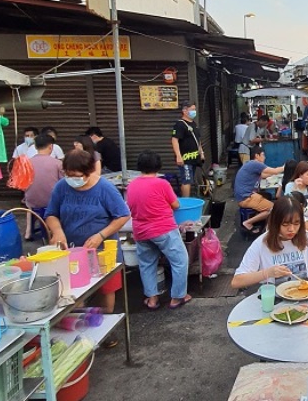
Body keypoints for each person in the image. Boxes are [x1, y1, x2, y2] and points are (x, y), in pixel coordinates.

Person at [46, 149, 130, 326]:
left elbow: (123, 215)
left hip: (102, 252)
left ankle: (104, 326)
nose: (72, 179)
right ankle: (78, 327)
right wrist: (58, 231)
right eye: (68, 175)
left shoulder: (105, 189)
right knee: (74, 292)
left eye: (76, 175)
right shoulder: (61, 187)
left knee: (105, 291)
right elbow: (51, 214)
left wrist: (101, 235)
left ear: (89, 172)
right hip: (71, 251)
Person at [126, 150, 191, 310]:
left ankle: (152, 299)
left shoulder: (132, 185)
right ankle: (177, 297)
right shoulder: (162, 184)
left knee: (147, 265)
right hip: (163, 229)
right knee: (180, 261)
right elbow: (176, 205)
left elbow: (130, 207)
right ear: (158, 166)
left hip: (141, 231)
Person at [231, 195, 308, 289]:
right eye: (285, 224)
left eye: (296, 223)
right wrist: (268, 273)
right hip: (274, 298)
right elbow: (236, 281)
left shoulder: (307, 238)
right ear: (275, 222)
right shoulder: (261, 243)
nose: (291, 229)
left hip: (304, 294)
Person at [234, 145, 285, 233]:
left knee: (267, 196)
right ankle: (248, 222)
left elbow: (264, 175)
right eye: (263, 155)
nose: (264, 157)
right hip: (246, 197)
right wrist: (285, 167)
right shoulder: (255, 163)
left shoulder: (250, 164)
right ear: (257, 156)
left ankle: (262, 222)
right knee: (273, 208)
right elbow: (275, 170)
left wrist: (274, 174)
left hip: (242, 195)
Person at [23, 134, 64, 240]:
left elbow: (23, 184)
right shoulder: (57, 163)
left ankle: (29, 232)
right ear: (51, 147)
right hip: (52, 203)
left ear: (35, 147)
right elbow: (64, 184)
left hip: (32, 203)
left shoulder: (26, 164)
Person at [171, 101, 205, 198]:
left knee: (190, 179)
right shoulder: (180, 124)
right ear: (184, 111)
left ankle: (189, 199)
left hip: (194, 158)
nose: (194, 112)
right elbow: (174, 140)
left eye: (194, 109)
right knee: (186, 180)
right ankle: (186, 202)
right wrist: (178, 156)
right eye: (192, 110)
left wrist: (201, 152)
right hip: (185, 159)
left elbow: (198, 140)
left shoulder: (193, 124)